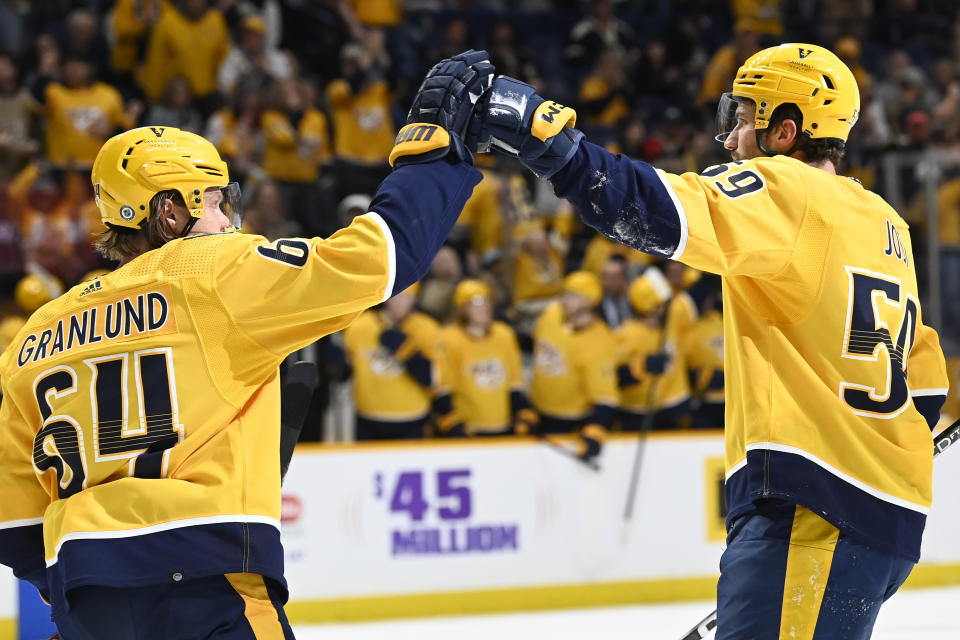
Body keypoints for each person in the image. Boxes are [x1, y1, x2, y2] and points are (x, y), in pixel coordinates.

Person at [0, 49, 494, 639]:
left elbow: (12, 522)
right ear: (168, 212)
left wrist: (92, 598)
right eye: (213, 200)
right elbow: (380, 257)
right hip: (211, 583)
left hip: (90, 597)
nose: (228, 217)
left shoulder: (37, 333)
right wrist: (433, 156)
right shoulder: (215, 269)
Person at [464, 44, 949, 638]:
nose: (730, 139)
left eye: (744, 121)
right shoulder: (885, 222)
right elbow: (924, 383)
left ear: (785, 129)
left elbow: (655, 209)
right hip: (877, 518)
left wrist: (550, 140)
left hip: (813, 508)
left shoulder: (787, 189)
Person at [530, 270, 617, 462]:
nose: (565, 300)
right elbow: (535, 346)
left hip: (570, 424)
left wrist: (595, 432)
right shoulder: (551, 313)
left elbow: (606, 397)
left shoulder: (599, 341)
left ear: (589, 302)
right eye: (565, 293)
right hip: (537, 414)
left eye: (573, 296)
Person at [434, 279, 534, 437]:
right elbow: (444, 384)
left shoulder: (504, 334)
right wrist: (450, 417)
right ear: (462, 308)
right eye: (476, 303)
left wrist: (522, 411)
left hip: (503, 425)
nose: (484, 308)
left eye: (486, 301)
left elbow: (514, 380)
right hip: (469, 428)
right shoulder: (449, 338)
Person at [342, 283, 440, 440]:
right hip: (368, 417)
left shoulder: (426, 327)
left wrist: (405, 351)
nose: (401, 302)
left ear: (415, 299)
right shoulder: (362, 325)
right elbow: (346, 367)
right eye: (397, 296)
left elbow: (433, 379)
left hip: (413, 418)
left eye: (407, 297)